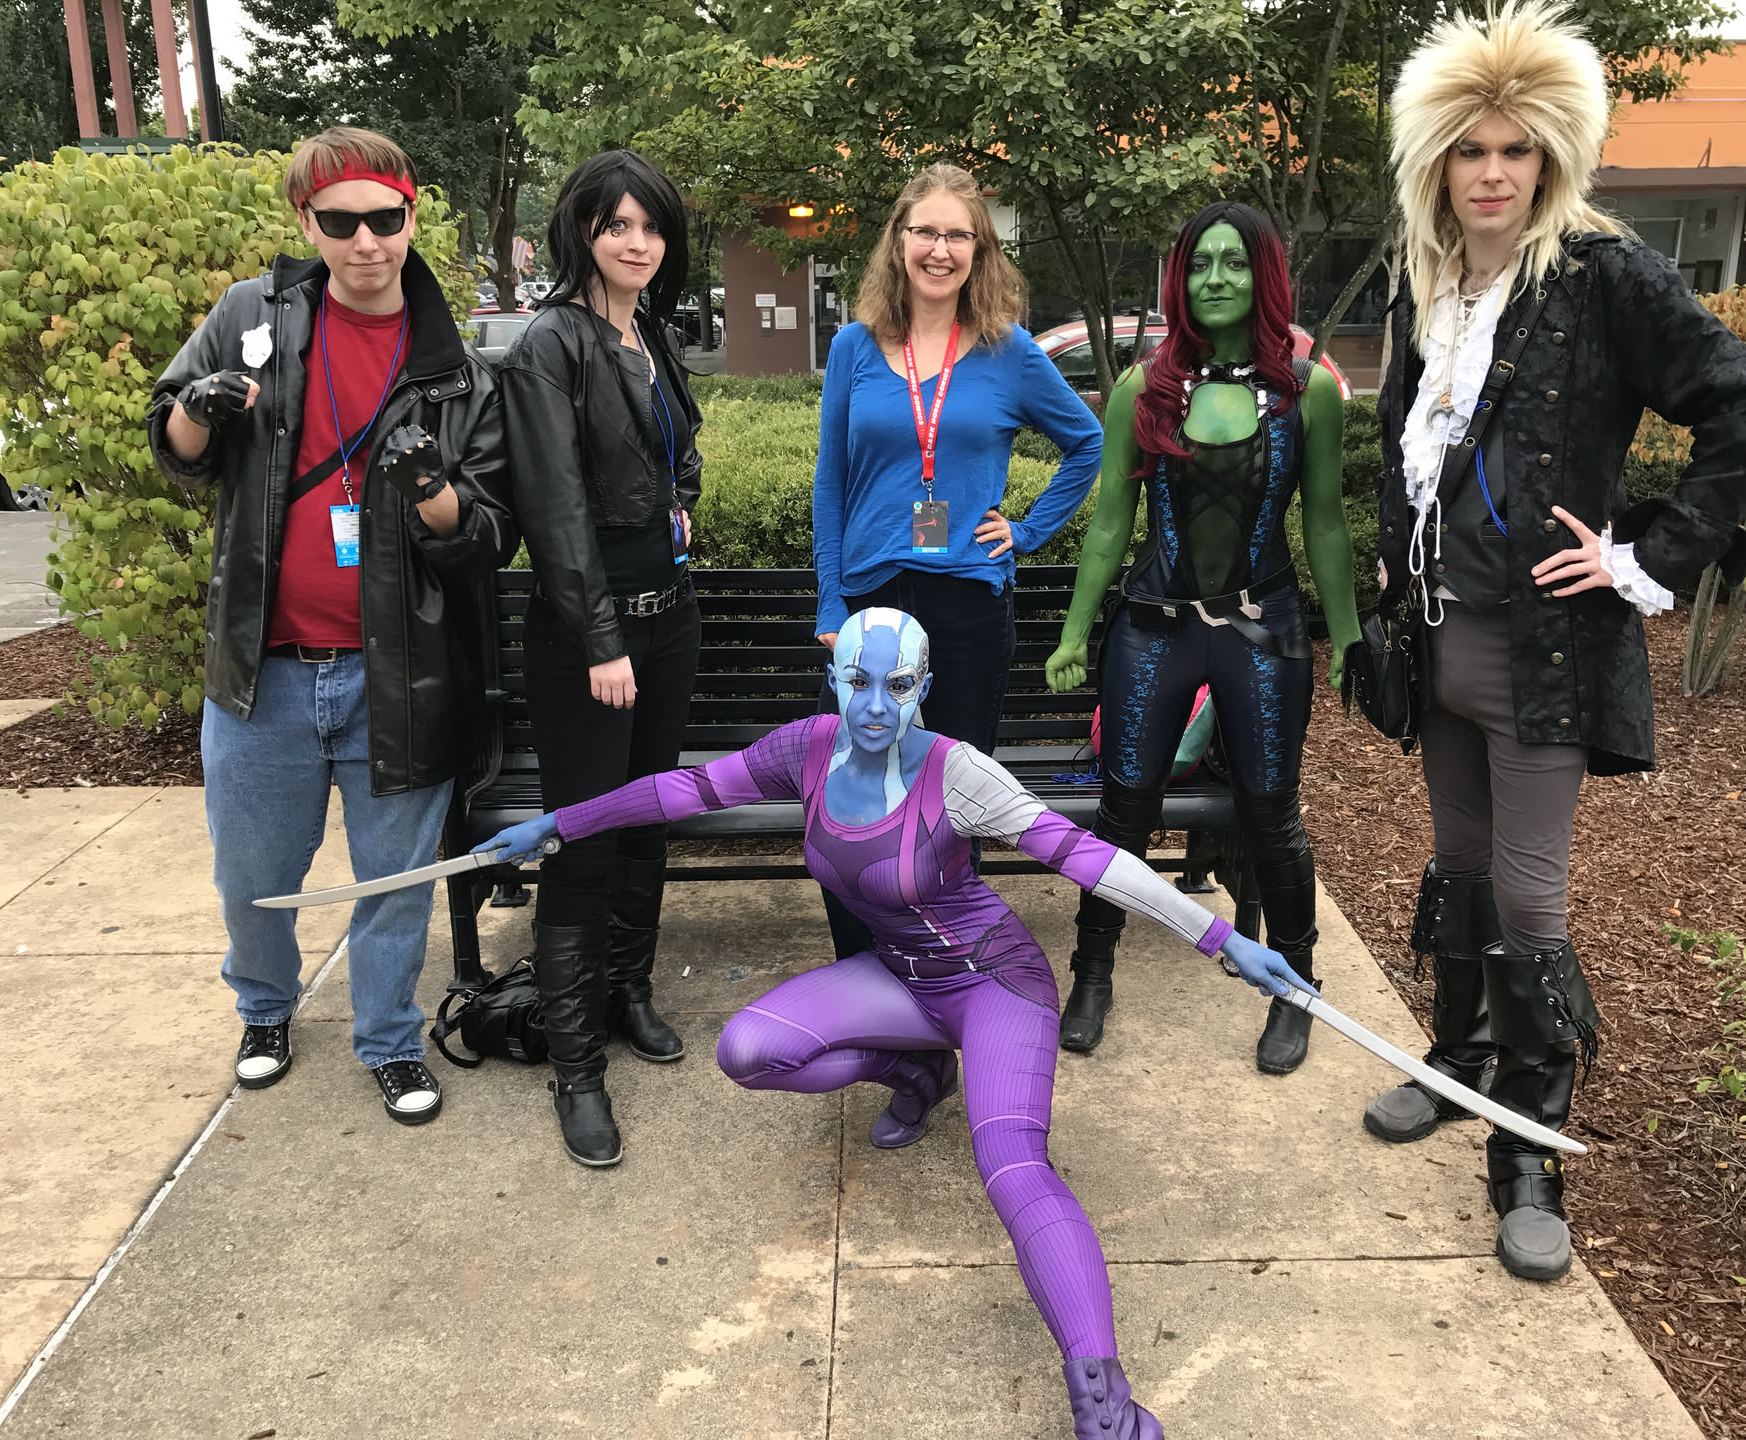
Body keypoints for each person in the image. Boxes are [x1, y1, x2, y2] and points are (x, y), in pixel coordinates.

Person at [476, 608, 1311, 1439]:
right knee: (749, 1051)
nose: (877, 706)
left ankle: (1105, 1399)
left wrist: (1221, 938)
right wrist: (559, 824)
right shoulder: (805, 749)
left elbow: (1086, 856)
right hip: (901, 979)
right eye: (859, 682)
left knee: (1013, 1169)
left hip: (994, 985)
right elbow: (684, 789)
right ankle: (916, 1071)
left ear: (925, 687)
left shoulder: (958, 774)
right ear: (834, 681)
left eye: (900, 685)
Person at [1359, 1, 1746, 1280]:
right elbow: (1406, 445)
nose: (1493, 174)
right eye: (1471, 150)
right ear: (1436, 159)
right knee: (1460, 868)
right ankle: (1460, 1061)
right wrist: (1391, 555)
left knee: (1530, 898)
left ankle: (1531, 1152)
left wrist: (1643, 555)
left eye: (1517, 151)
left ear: (1553, 155)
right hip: (1438, 645)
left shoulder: (1604, 274)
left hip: (1541, 655)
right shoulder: (1428, 280)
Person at [147, 126, 515, 1124]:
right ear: (305, 221)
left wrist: (434, 492)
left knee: (395, 881)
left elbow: (487, 536)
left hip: (400, 674)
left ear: (410, 217)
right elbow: (176, 451)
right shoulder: (250, 315)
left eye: (385, 219)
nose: (366, 242)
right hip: (261, 670)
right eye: (341, 222)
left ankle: (388, 1039)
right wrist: (199, 409)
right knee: (253, 875)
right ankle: (264, 1010)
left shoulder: (457, 371)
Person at [1043, 202, 1360, 1071]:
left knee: (1271, 810)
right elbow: (1111, 524)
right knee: (1123, 809)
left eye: (1234, 261)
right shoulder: (1144, 389)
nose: (1215, 278)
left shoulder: (1307, 390)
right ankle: (1092, 975)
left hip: (1265, 628)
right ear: (1178, 279)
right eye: (1199, 263)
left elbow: (1326, 524)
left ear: (1265, 274)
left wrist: (1350, 640)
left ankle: (1296, 987)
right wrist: (1074, 634)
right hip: (1154, 627)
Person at [812, 162, 1104, 957]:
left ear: (980, 249)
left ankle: (942, 970)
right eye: (925, 232)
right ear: (898, 240)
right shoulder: (853, 347)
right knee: (856, 798)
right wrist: (830, 602)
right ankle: (864, 968)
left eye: (957, 235)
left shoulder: (1010, 353)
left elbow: (1087, 443)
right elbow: (831, 484)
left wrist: (1028, 531)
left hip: (969, 607)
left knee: (950, 804)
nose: (939, 250)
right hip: (870, 604)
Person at [495, 150, 705, 1168]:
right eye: (617, 224)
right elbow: (553, 507)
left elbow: (671, 460)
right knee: (585, 842)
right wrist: (601, 638)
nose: (637, 242)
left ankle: (627, 992)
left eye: (651, 226)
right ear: (581, 230)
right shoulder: (552, 343)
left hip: (671, 621)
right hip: (593, 639)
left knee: (648, 820)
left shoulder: (648, 332)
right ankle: (576, 1066)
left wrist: (682, 507)